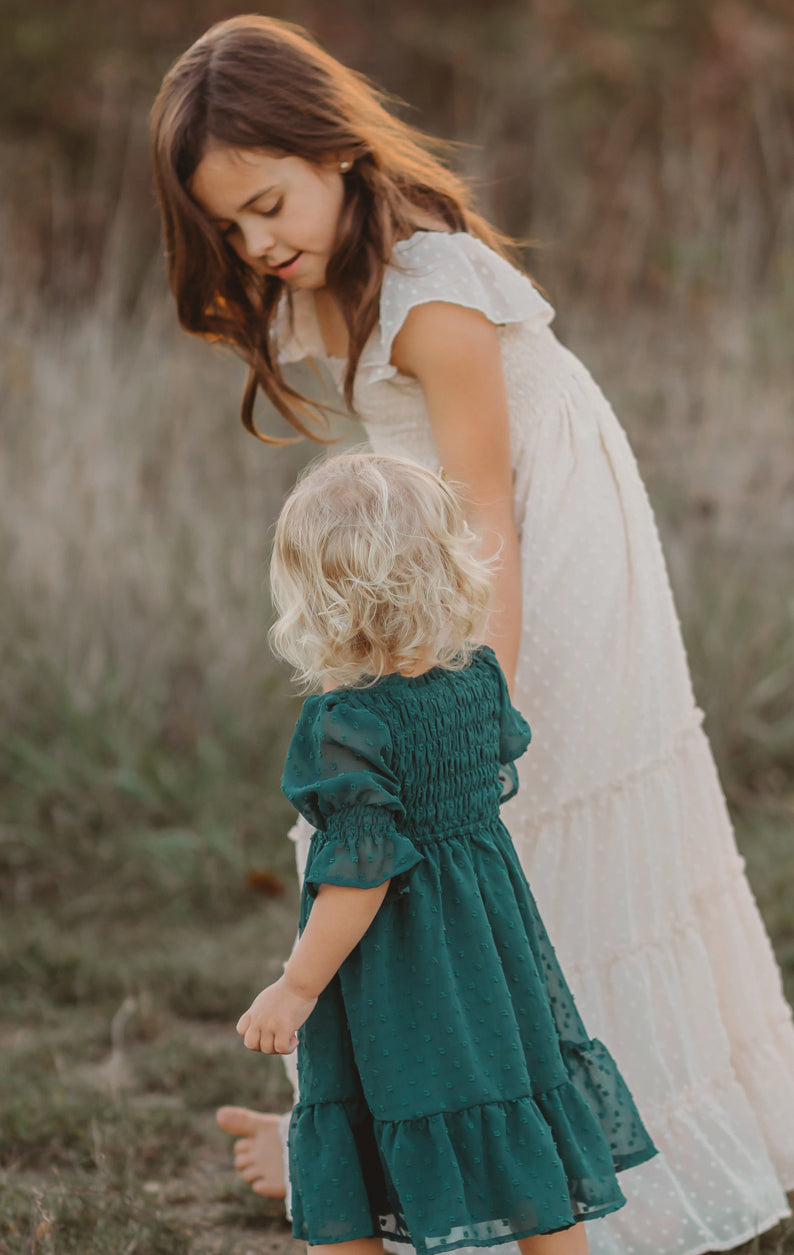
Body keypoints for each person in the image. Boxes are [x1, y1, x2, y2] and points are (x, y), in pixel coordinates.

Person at [150, 16, 794, 1255]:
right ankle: (379, 1140)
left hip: (516, 564)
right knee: (404, 847)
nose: (255, 242)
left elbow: (487, 494)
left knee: (496, 839)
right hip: (434, 555)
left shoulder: (432, 293)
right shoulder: (323, 274)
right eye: (228, 225)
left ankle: (550, 1155)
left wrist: (469, 694)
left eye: (269, 203)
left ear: (332, 150)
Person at [237, 450, 658, 1255]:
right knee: (520, 1091)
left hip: (400, 967)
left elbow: (363, 878)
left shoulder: (344, 724)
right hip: (494, 952)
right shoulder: (479, 681)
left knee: (361, 1113)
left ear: (318, 598)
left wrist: (296, 987)